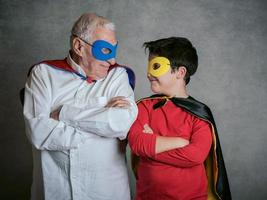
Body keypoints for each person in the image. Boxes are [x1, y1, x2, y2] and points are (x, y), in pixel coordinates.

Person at [23, 12, 138, 200]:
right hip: (56, 191)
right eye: (106, 51)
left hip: (107, 192)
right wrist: (100, 126)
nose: (112, 61)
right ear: (79, 46)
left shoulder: (117, 76)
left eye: (114, 51)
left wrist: (63, 113)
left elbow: (121, 124)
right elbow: (38, 133)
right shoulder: (43, 74)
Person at [128, 37, 231, 200]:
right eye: (149, 66)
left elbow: (195, 155)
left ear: (180, 72)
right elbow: (137, 143)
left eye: (156, 66)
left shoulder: (199, 113)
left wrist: (152, 145)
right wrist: (179, 142)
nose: (148, 73)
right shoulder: (144, 107)